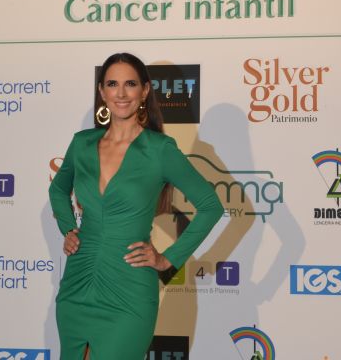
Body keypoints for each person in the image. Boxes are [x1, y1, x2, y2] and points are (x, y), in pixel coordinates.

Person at [48, 52, 223, 360]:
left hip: (129, 289)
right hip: (78, 282)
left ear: (144, 91)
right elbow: (58, 189)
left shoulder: (159, 150)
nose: (121, 93)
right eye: (112, 84)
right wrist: (68, 228)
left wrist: (168, 259)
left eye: (130, 84)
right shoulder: (82, 143)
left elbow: (211, 206)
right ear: (102, 91)